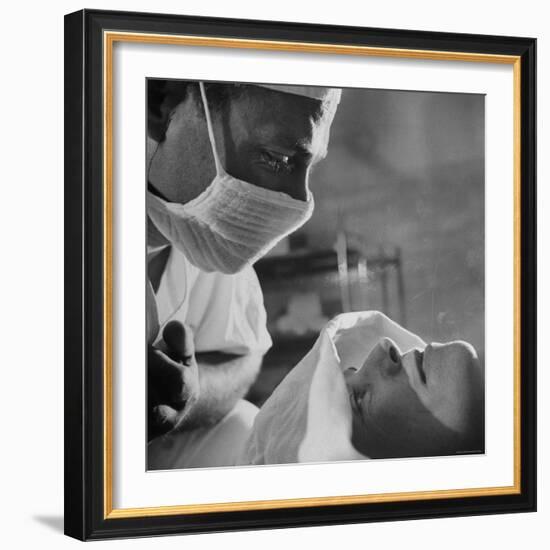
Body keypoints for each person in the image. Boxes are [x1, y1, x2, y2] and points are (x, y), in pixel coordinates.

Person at [145, 79, 342, 468]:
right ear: (163, 106)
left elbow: (244, 354)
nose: (300, 202)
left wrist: (189, 398)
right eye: (274, 158)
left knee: (243, 428)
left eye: (307, 166)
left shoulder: (202, 226)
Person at [241, 311, 484, 465]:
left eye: (358, 399)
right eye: (353, 370)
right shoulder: (240, 420)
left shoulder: (236, 426)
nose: (383, 346)